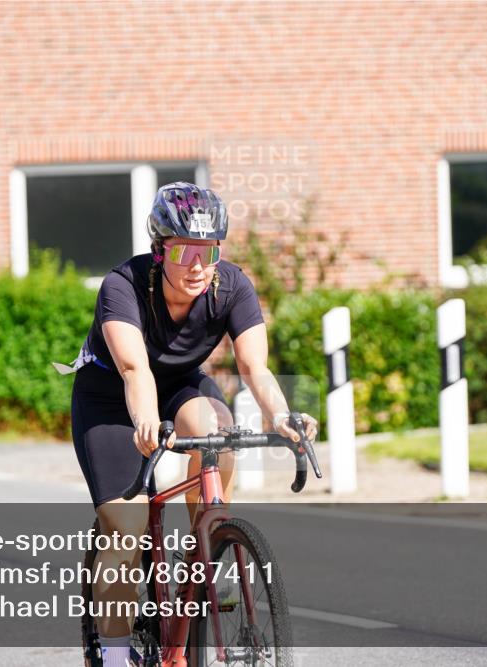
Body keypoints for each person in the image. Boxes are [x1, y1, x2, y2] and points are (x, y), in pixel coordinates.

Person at [61, 182, 318, 666]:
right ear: (159, 250)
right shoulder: (123, 285)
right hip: (112, 398)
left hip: (180, 384)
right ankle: (116, 656)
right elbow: (134, 370)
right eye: (183, 250)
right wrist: (144, 423)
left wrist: (281, 416)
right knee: (127, 532)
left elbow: (254, 368)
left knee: (217, 431)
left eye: (209, 250)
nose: (198, 264)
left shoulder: (233, 285)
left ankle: (210, 548)